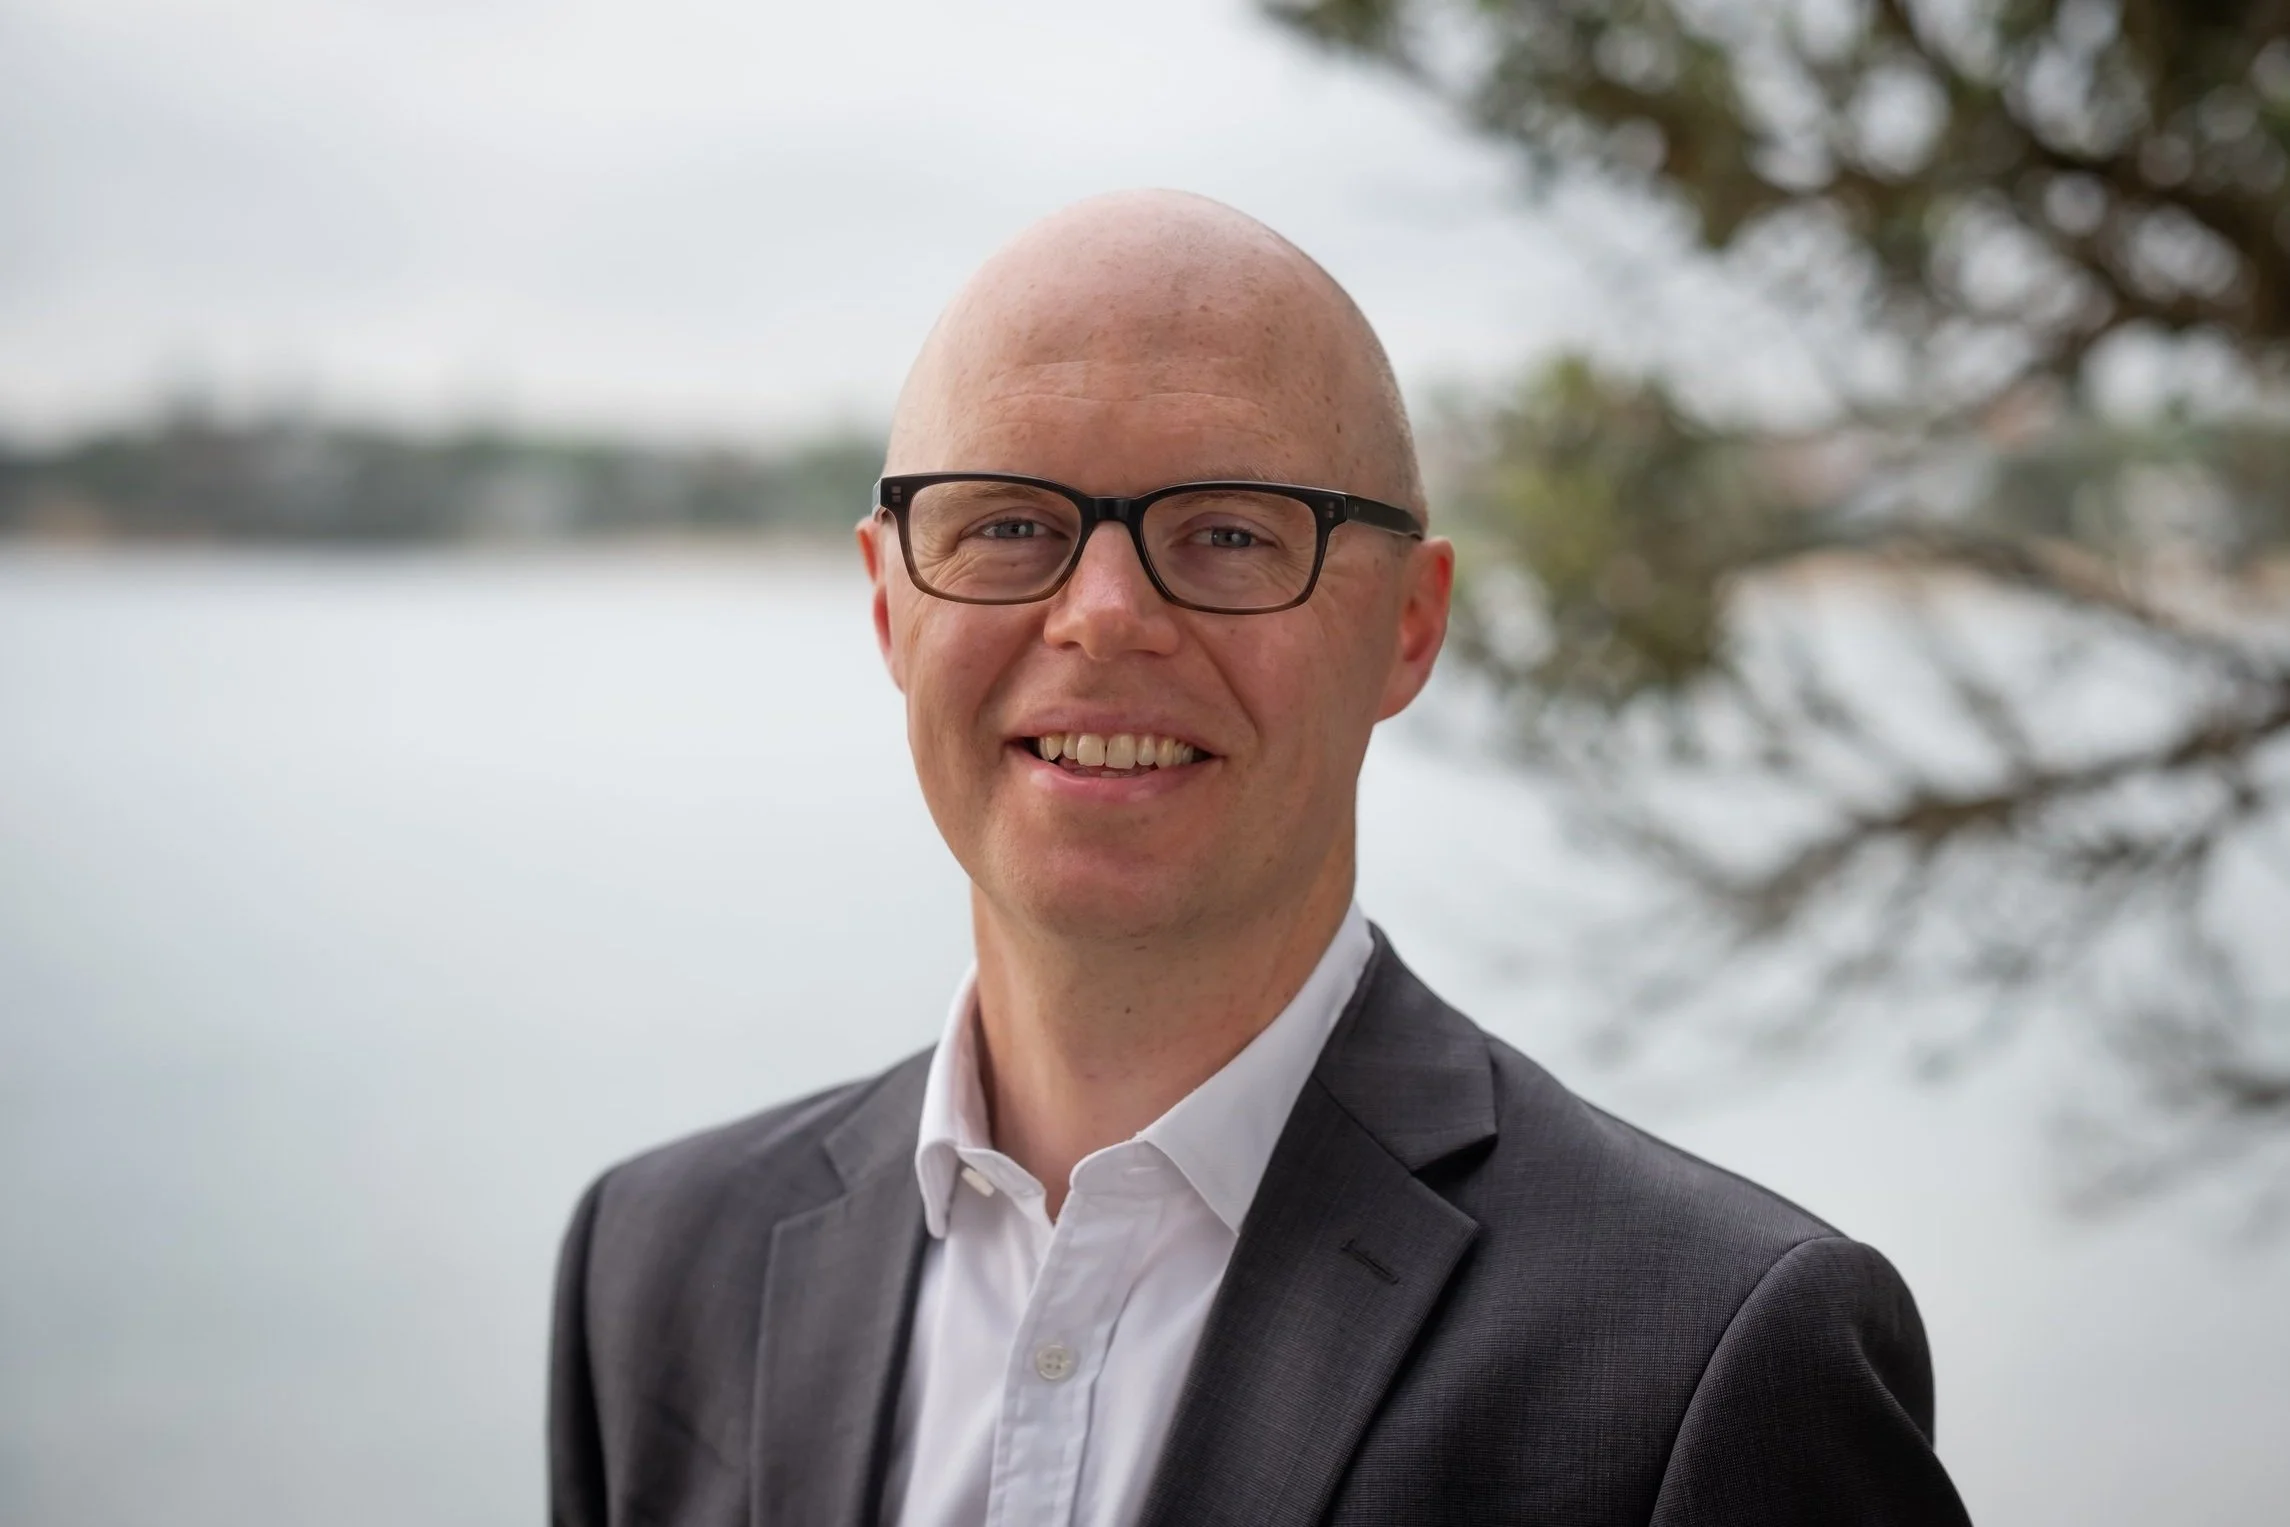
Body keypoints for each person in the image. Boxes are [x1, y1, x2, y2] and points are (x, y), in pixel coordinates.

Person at [547, 191, 1972, 1527]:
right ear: (886, 603)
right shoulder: (657, 1266)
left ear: (1409, 627)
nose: (1103, 615)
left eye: (1227, 531)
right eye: (1008, 527)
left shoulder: (1713, 1357)